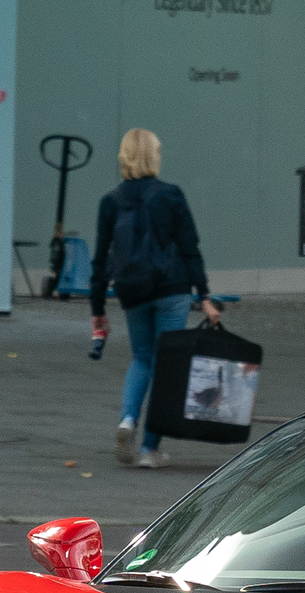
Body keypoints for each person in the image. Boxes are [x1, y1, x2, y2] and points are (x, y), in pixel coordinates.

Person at [91, 128, 221, 469]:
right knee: (167, 366)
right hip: (171, 289)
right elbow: (190, 248)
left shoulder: (110, 201)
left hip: (132, 291)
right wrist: (205, 296)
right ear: (153, 155)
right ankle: (150, 449)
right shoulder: (171, 195)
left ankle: (127, 420)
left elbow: (101, 256)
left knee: (142, 358)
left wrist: (97, 309)